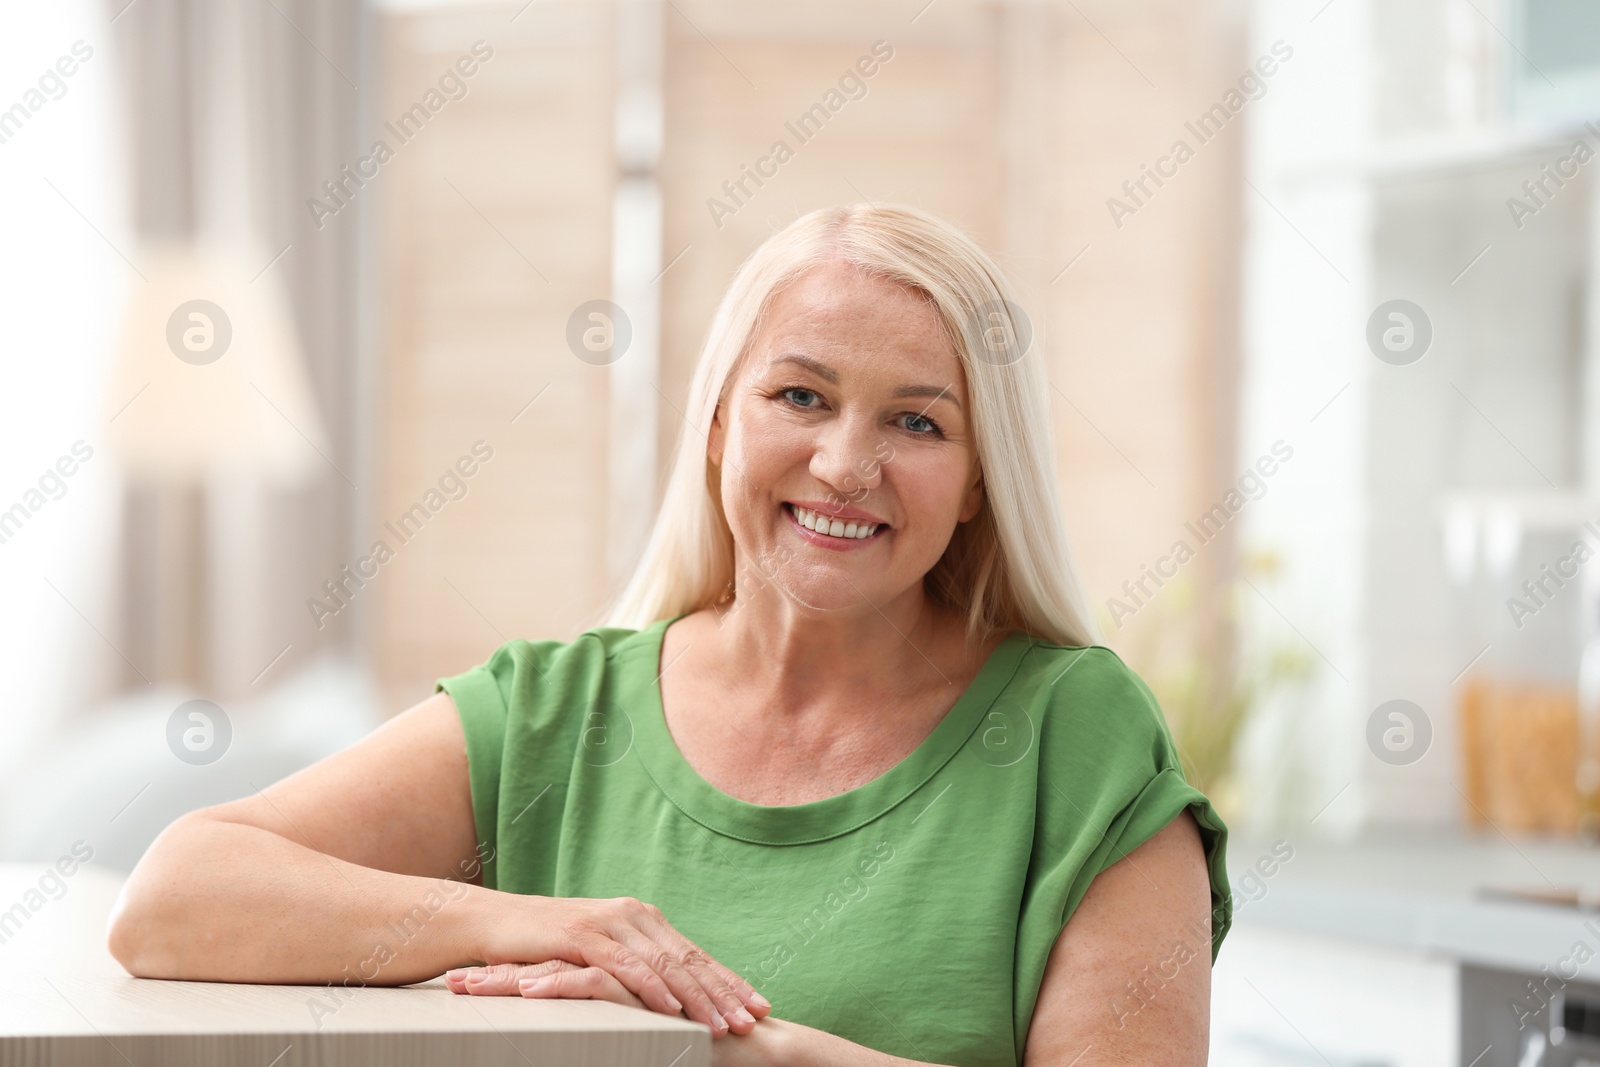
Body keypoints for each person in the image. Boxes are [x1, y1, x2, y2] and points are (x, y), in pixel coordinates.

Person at [108, 203, 1231, 1066]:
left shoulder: (1074, 737)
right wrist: (542, 929)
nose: (845, 463)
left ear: (979, 480)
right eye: (800, 395)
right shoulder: (556, 711)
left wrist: (749, 1044)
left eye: (916, 420)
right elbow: (174, 897)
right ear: (713, 422)